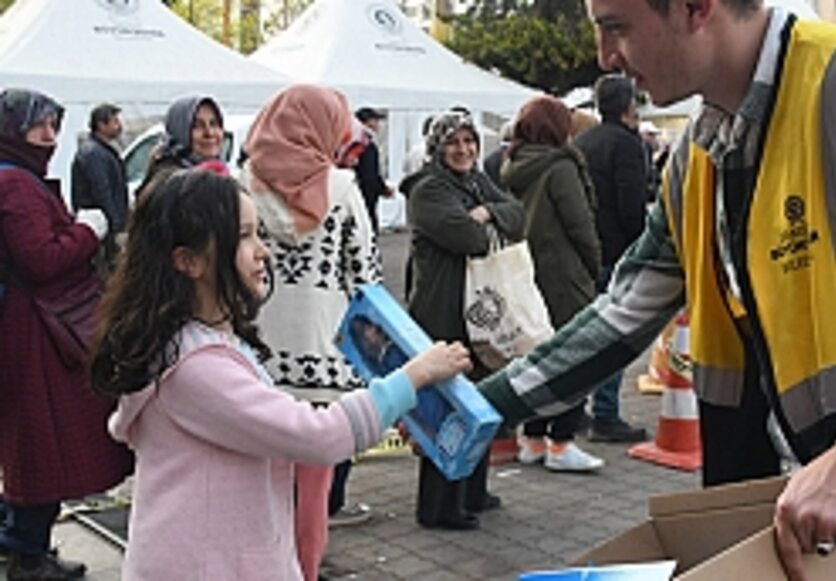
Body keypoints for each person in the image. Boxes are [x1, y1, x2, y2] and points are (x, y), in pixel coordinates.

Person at [477, 1, 836, 580]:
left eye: (616, 27)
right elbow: (623, 312)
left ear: (695, 8)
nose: (604, 58)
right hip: (811, 524)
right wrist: (483, 405)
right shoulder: (697, 154)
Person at [89, 168, 471, 580]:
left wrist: (392, 411)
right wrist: (412, 378)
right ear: (189, 261)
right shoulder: (196, 368)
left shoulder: (202, 345)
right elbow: (315, 435)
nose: (263, 251)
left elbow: (284, 427)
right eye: (245, 236)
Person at [239, 84, 381, 580]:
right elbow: (365, 277)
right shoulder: (341, 188)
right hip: (325, 359)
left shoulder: (244, 183)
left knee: (260, 487)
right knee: (314, 493)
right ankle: (304, 569)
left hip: (256, 361)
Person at [0, 88, 132, 580]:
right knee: (40, 440)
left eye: (54, 125)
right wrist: (88, 231)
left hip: (34, 325)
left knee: (34, 439)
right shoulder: (16, 185)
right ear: (14, 127)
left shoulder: (18, 177)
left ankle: (24, 541)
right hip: (35, 330)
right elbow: (41, 259)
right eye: (39, 126)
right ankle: (27, 555)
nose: (49, 136)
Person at [401, 111, 524, 530]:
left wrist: (487, 212)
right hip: (441, 314)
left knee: (479, 401)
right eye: (453, 142)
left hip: (477, 314)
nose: (464, 149)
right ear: (438, 146)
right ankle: (438, 508)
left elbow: (518, 215)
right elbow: (466, 238)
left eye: (469, 141)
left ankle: (473, 491)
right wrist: (489, 222)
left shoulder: (473, 183)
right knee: (447, 411)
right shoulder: (428, 189)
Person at [500, 95, 605, 473]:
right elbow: (580, 224)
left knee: (537, 358)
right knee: (576, 358)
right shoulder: (560, 166)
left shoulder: (510, 164)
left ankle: (531, 437)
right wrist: (595, 266)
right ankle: (561, 442)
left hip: (526, 272)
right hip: (564, 275)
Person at [573, 73, 648, 444]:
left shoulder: (583, 141)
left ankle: (576, 408)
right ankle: (606, 413)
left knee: (585, 333)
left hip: (585, 251)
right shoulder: (627, 145)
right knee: (614, 335)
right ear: (628, 106)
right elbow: (631, 203)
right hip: (616, 251)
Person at [136, 94, 224, 199]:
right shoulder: (173, 186)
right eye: (197, 125)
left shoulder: (219, 174)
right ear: (180, 131)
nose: (209, 133)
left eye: (214, 124)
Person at [71, 102, 128, 241]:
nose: (119, 126)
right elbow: (101, 190)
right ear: (101, 125)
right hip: (98, 226)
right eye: (114, 121)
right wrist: (114, 225)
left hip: (104, 224)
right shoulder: (93, 154)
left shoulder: (103, 150)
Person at [354, 107, 392, 232]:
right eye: (374, 120)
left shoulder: (354, 142)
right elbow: (370, 174)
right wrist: (379, 189)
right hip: (365, 196)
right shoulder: (365, 145)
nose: (377, 124)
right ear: (365, 123)